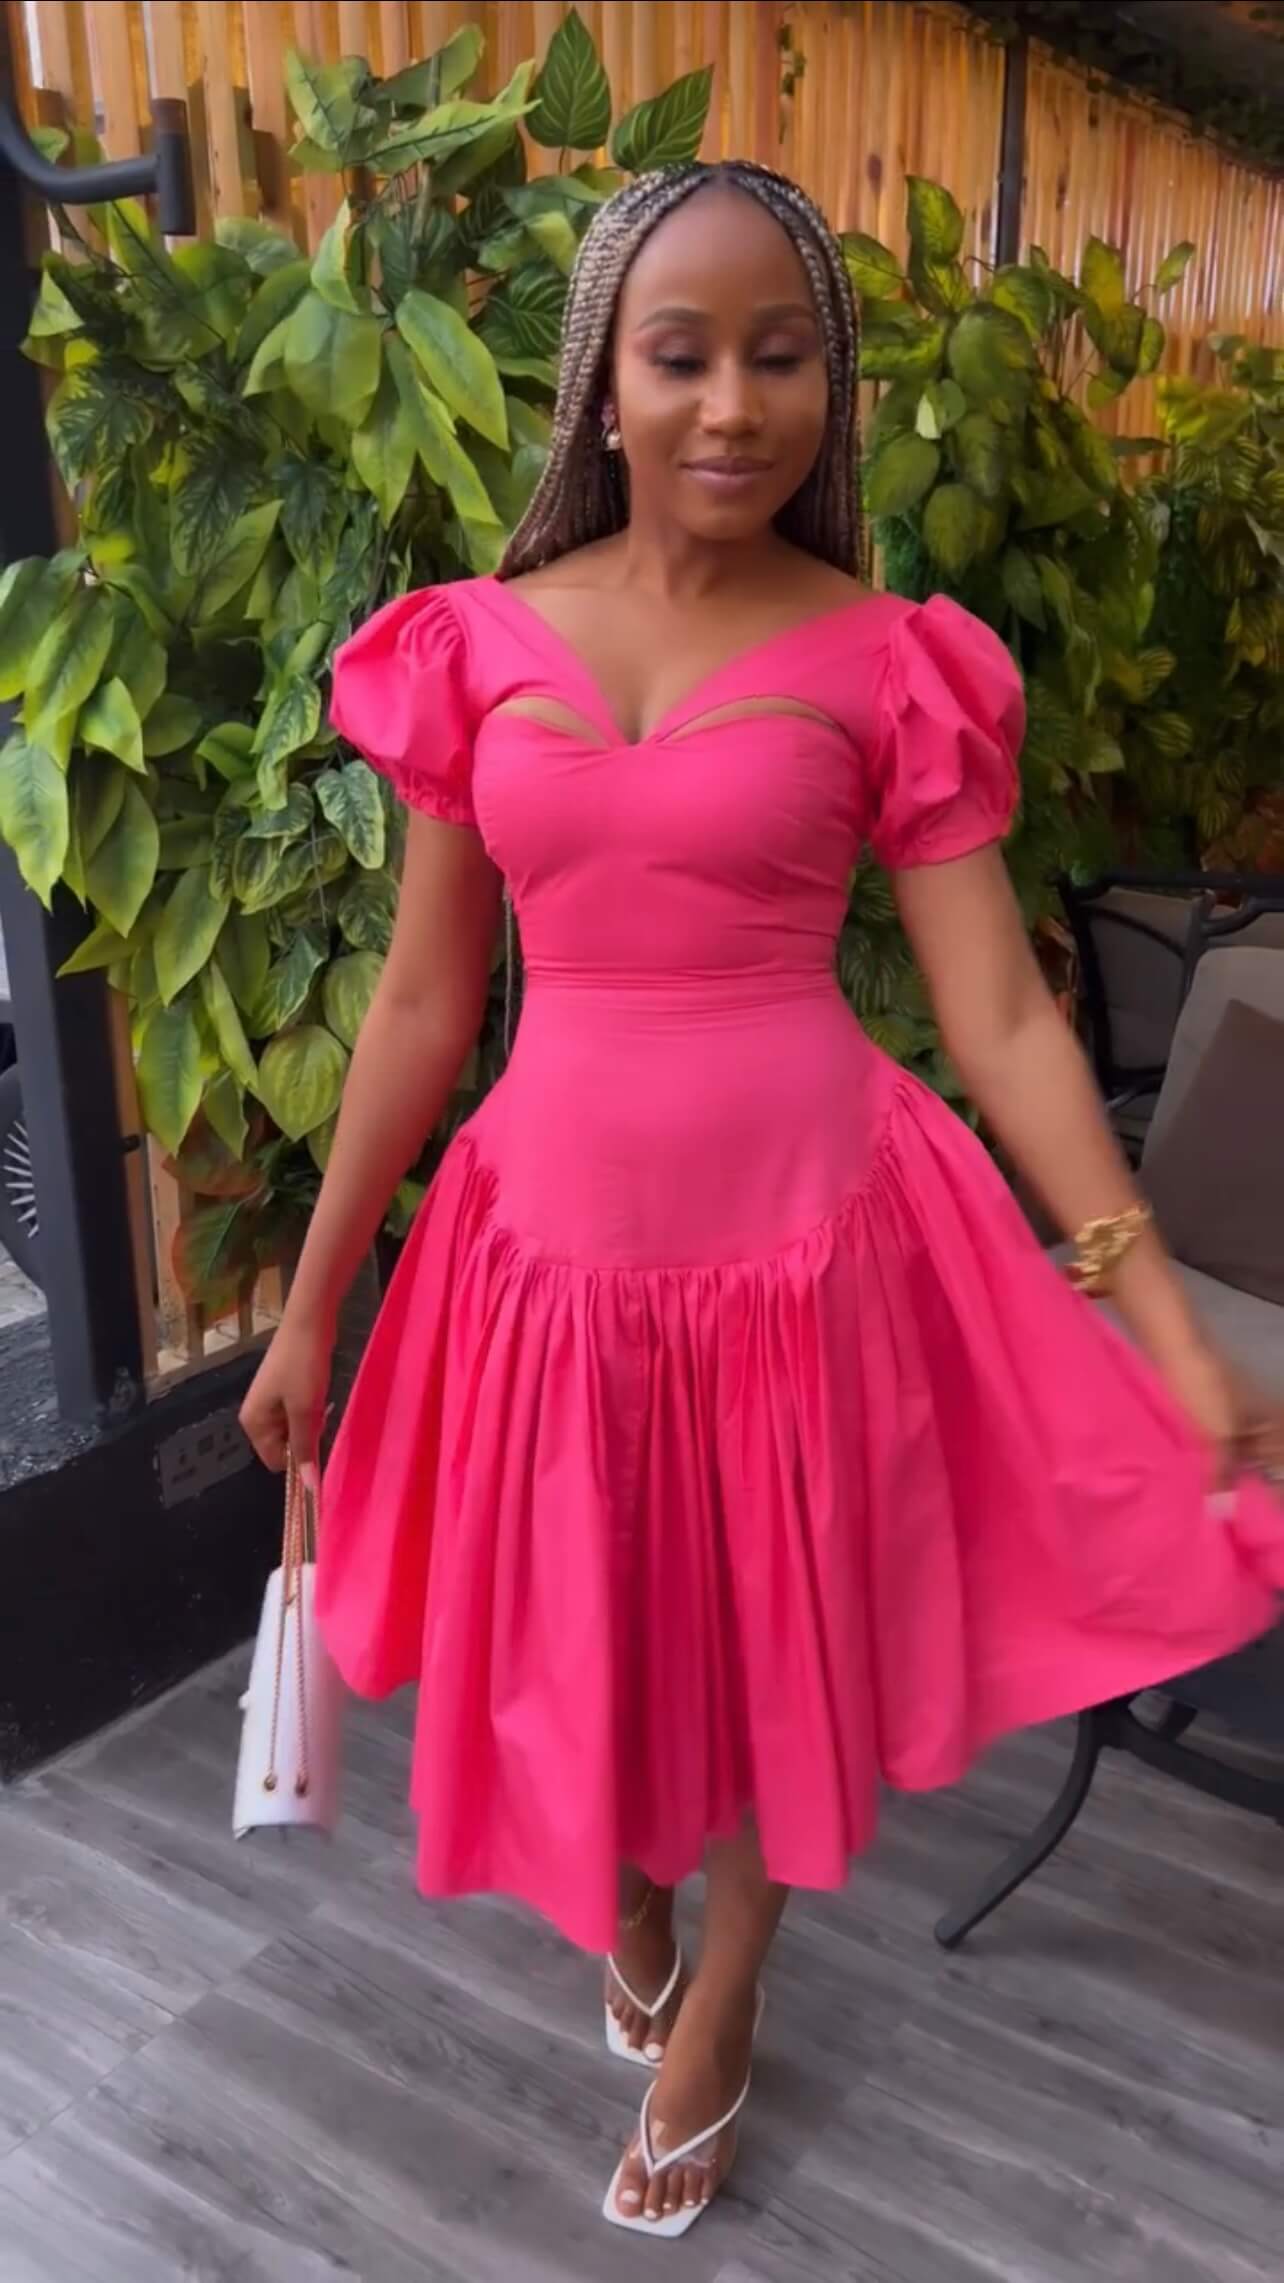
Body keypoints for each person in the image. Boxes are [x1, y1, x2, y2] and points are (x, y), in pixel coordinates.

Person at [240, 159, 1284, 2238]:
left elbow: (999, 1010)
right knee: (595, 1632)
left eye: (782, 356)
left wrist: (1161, 1319)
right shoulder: (477, 644)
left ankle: (726, 1986)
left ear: (834, 386)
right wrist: (313, 1299)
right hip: (543, 1257)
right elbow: (428, 1003)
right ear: (604, 386)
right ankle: (631, 1899)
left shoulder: (893, 658)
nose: (735, 403)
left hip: (808, 1249)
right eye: (684, 354)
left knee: (772, 1652)